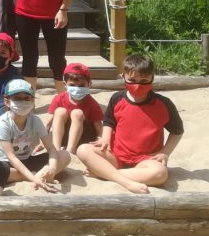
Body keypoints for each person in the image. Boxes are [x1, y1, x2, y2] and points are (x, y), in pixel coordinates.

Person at [77, 54, 184, 194]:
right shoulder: (117, 98)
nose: (138, 85)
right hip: (116, 155)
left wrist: (165, 152)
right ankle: (122, 179)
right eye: (132, 80)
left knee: (160, 174)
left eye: (144, 81)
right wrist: (105, 139)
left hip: (146, 159)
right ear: (123, 77)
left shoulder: (163, 104)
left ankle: (104, 174)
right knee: (83, 150)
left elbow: (177, 131)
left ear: (152, 78)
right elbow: (108, 121)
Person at [0, 79, 70, 196]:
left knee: (65, 155)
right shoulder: (3, 123)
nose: (23, 102)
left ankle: (37, 175)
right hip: (4, 163)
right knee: (0, 171)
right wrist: (35, 178)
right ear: (7, 101)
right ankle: (36, 176)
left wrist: (52, 168)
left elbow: (51, 149)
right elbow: (11, 157)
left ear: (33, 100)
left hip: (26, 160)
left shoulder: (35, 120)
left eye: (27, 98)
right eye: (17, 98)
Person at [47, 62, 103, 154]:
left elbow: (98, 125)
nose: (77, 88)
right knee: (59, 111)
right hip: (64, 136)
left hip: (83, 139)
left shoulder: (91, 103)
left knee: (77, 113)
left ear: (89, 84)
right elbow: (49, 122)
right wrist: (43, 138)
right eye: (72, 85)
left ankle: (70, 152)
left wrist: (100, 137)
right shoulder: (59, 98)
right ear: (65, 84)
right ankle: (56, 149)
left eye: (81, 85)